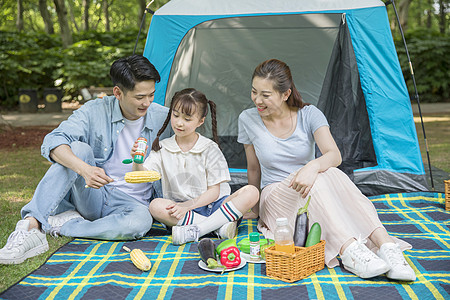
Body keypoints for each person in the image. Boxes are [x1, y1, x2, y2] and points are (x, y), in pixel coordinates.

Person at [237, 59, 416, 281]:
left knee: (328, 172)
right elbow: (253, 168)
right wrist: (255, 208)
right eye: (254, 92)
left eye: (265, 95)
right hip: (275, 194)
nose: (257, 100)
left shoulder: (309, 114)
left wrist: (312, 167)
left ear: (285, 94)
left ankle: (387, 246)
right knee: (324, 176)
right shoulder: (247, 119)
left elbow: (334, 155)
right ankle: (349, 251)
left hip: (311, 186)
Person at [0, 54, 171, 265]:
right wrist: (84, 169)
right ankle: (31, 226)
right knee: (77, 149)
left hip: (134, 205)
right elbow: (52, 142)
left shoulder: (165, 118)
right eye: (139, 97)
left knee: (141, 222)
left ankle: (64, 225)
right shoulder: (94, 111)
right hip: (94, 194)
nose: (147, 102)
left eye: (151, 95)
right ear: (118, 92)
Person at [132, 88, 259, 245]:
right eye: (176, 115)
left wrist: (187, 206)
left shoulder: (209, 148)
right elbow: (140, 177)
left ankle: (197, 229)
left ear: (200, 121)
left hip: (216, 206)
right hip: (180, 211)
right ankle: (218, 227)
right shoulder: (162, 148)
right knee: (155, 206)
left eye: (187, 119)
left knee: (252, 192)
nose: (179, 122)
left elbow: (214, 192)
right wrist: (137, 161)